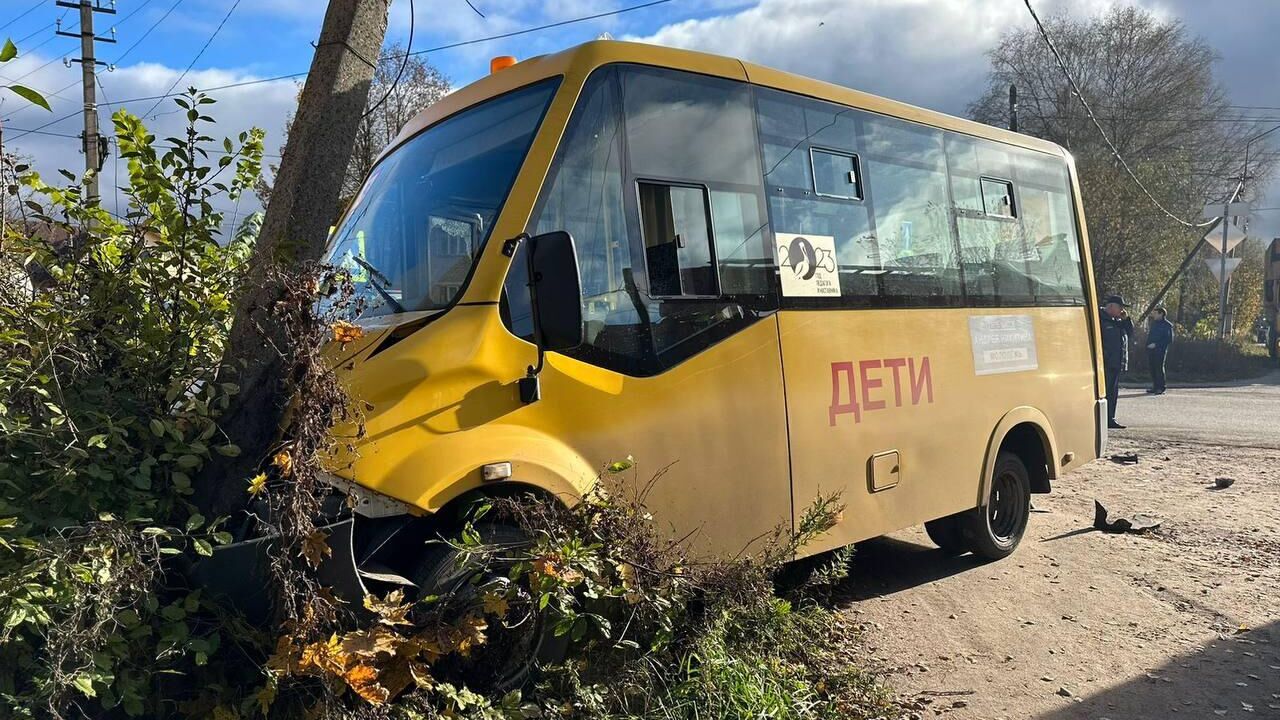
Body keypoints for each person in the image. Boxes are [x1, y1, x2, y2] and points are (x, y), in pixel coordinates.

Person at [1099, 295, 1134, 429]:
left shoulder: (1117, 321)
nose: (1121, 311)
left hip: (1116, 363)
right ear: (1112, 306)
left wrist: (1127, 320)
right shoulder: (1101, 319)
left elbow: (1129, 333)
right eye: (1120, 308)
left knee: (1112, 393)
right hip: (1106, 364)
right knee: (1105, 393)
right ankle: (1105, 419)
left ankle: (1110, 418)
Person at [1146, 306, 1174, 395]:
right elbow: (1150, 336)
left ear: (1161, 314)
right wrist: (1147, 345)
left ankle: (1161, 387)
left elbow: (1169, 339)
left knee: (1159, 368)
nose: (1153, 315)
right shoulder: (1154, 324)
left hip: (1160, 350)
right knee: (1152, 368)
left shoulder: (1167, 325)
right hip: (1151, 350)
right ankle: (1155, 386)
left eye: (1155, 313)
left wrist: (1156, 345)